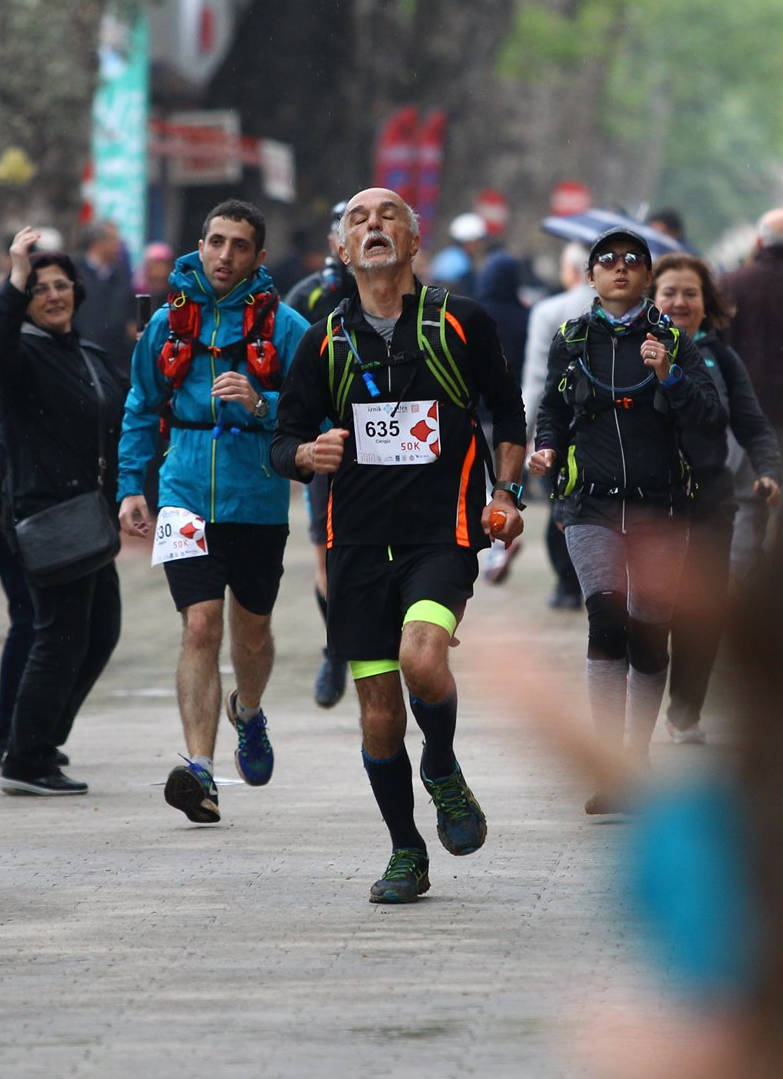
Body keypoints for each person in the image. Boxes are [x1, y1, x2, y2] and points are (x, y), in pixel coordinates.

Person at [271, 187, 526, 903]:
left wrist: (505, 494)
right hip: (353, 541)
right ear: (341, 250)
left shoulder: (460, 322)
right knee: (379, 713)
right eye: (357, 218)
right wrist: (304, 455)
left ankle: (440, 767)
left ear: (416, 241)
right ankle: (405, 850)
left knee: (422, 655)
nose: (373, 225)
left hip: (439, 534)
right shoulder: (323, 340)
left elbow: (507, 414)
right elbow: (282, 439)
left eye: (389, 216)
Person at [117, 199, 308, 825]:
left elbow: (317, 413)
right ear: (199, 244)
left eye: (240, 245)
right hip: (184, 493)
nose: (224, 255)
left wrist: (261, 400)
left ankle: (247, 711)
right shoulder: (167, 324)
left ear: (258, 256)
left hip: (257, 497)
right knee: (199, 626)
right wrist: (130, 485)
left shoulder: (286, 326)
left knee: (251, 630)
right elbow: (143, 405)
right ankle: (199, 771)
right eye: (215, 241)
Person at [529, 226, 725, 814]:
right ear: (589, 276)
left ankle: (638, 759)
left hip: (662, 509)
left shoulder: (672, 339)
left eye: (632, 261)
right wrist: (543, 449)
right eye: (606, 261)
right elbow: (553, 409)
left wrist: (669, 374)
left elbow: (710, 421)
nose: (619, 268)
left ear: (646, 275)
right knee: (606, 623)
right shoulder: (573, 337)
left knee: (647, 632)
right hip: (590, 506)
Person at [0, 227, 126, 795]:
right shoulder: (22, 354)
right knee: (57, 636)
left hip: (92, 518)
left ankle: (39, 740)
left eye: (60, 285)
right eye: (40, 289)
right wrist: (13, 282)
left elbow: (125, 415)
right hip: (48, 516)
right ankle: (26, 757)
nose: (53, 295)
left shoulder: (87, 354)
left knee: (100, 633)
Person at [650, 253, 780, 744]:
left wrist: (768, 471)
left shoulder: (722, 359)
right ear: (651, 299)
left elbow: (752, 423)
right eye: (669, 293)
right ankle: (635, 709)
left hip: (709, 503)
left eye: (690, 293)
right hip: (644, 507)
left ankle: (685, 711)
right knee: (644, 616)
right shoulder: (622, 354)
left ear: (708, 304)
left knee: (700, 615)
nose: (680, 302)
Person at [286, 201, 356, 708]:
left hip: (395, 444)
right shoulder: (308, 295)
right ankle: (336, 649)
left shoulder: (402, 291)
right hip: (328, 449)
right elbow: (285, 375)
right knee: (327, 557)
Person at [522, 242, 594, 609]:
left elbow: (537, 379)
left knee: (560, 507)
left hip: (557, 429)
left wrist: (523, 434)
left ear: (570, 270)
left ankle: (568, 584)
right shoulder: (628, 313)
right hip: (602, 430)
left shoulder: (549, 311)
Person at [720, 208, 783, 573]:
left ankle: (742, 606)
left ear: (759, 242)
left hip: (745, 419)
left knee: (748, 504)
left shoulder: (732, 285)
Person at [475, 249, 529, 584]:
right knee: (505, 484)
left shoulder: (475, 314)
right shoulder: (525, 316)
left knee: (481, 483)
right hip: (513, 411)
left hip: (479, 411)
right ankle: (501, 539)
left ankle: (496, 545)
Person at [74, 220, 136, 374]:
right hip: (81, 356)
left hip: (116, 358)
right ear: (98, 242)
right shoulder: (74, 271)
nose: (118, 246)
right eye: (114, 240)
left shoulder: (122, 275)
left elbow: (131, 313)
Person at [428, 211, 487, 297]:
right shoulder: (463, 264)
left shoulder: (443, 256)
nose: (480, 245)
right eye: (478, 240)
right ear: (470, 241)